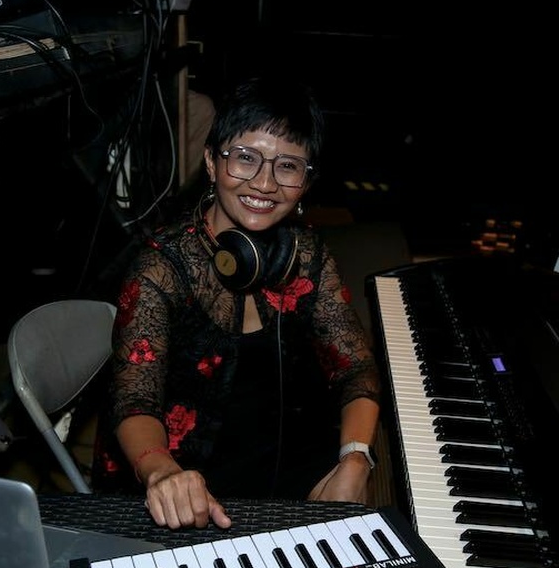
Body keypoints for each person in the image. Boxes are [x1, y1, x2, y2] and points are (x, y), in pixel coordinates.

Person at [93, 75, 381, 529]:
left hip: (286, 456)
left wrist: (356, 458)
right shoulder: (160, 270)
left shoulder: (304, 256)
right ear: (211, 162)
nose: (265, 184)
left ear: (306, 182)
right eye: (245, 158)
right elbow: (132, 403)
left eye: (287, 166)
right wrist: (162, 472)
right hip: (188, 479)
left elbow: (356, 369)